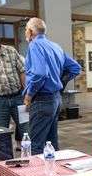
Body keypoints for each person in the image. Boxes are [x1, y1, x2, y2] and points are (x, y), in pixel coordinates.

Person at [22, 18, 81, 154]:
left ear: (30, 31)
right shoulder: (55, 46)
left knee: (36, 145)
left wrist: (29, 95)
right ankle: (54, 172)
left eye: (26, 29)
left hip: (41, 99)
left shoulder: (34, 45)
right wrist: (59, 81)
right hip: (55, 99)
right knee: (51, 142)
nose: (25, 32)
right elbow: (75, 68)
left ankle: (36, 175)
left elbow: (40, 73)